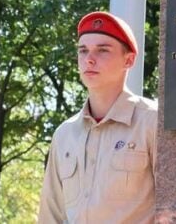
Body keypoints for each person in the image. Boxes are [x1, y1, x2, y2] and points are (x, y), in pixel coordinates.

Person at [37, 12, 156, 224]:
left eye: (102, 50)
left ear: (128, 60)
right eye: (83, 51)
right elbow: (51, 214)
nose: (89, 59)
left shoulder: (151, 122)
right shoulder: (64, 134)